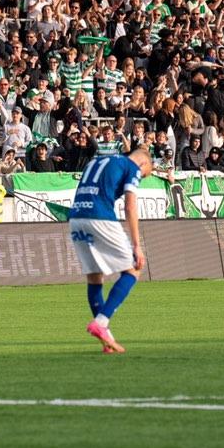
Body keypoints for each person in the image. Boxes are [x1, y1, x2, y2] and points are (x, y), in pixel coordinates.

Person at [69, 148, 153, 354]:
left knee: (94, 277)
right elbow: (130, 207)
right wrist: (136, 245)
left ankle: (107, 340)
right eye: (144, 175)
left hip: (76, 218)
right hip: (100, 217)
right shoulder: (131, 166)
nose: (141, 177)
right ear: (144, 164)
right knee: (134, 269)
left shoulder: (96, 161)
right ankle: (101, 321)